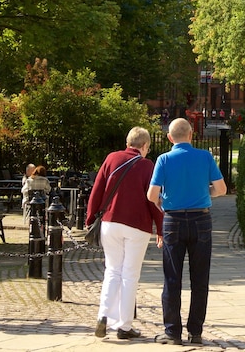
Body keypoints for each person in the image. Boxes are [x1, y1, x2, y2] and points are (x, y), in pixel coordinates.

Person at [147, 118, 227, 345]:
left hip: (173, 220)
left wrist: (165, 201)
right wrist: (204, 192)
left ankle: (172, 332)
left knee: (172, 277)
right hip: (201, 218)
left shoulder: (163, 159)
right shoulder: (205, 157)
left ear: (170, 138)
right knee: (200, 278)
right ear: (191, 135)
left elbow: (151, 195)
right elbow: (221, 189)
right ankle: (196, 331)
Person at [86, 126, 165, 340]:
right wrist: (160, 226)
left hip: (110, 222)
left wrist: (90, 218)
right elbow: (152, 199)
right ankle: (125, 325)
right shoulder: (147, 165)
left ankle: (103, 316)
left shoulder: (111, 158)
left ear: (127, 142)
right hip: (137, 225)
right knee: (130, 275)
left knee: (112, 271)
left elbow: (97, 190)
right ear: (145, 146)